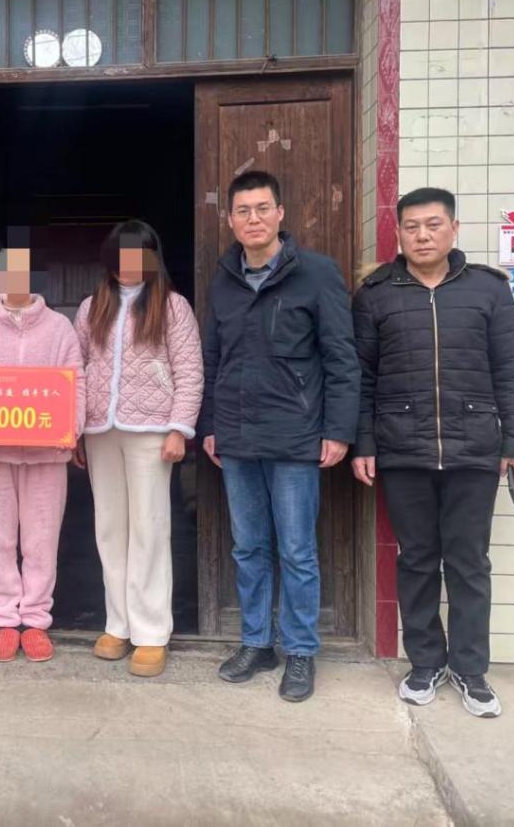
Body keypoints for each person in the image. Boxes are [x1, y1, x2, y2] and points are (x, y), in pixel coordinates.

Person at [352, 187, 514, 718]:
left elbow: (512, 372)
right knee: (416, 560)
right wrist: (364, 441)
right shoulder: (376, 294)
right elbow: (361, 378)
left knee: (469, 563)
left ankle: (471, 670)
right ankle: (425, 662)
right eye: (411, 227)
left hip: (474, 449)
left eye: (433, 225)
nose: (423, 235)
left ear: (454, 229)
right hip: (402, 449)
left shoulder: (487, 290)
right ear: (398, 233)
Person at [199, 170, 359, 703]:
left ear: (281, 214)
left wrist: (338, 429)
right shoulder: (224, 278)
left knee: (296, 550)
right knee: (248, 547)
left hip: (296, 435)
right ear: (230, 220)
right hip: (238, 436)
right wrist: (211, 425)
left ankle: (301, 651)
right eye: (243, 211)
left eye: (262, 208)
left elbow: (341, 357)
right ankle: (257, 643)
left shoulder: (316, 273)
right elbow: (213, 358)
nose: (254, 219)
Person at [73, 220, 203, 678]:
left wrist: (179, 429)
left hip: (152, 431)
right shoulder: (92, 306)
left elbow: (189, 371)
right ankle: (118, 624)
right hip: (100, 430)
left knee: (149, 528)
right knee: (110, 528)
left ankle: (150, 632)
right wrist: (74, 428)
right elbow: (76, 368)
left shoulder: (172, 306)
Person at [0, 245, 85, 664]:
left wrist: (72, 428)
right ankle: (5, 620)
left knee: (41, 539)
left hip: (47, 453)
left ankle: (35, 619)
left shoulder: (60, 328)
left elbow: (76, 381)